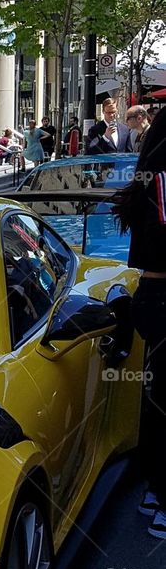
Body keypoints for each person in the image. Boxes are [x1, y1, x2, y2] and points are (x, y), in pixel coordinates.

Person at [113, 107, 166, 537]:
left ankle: (156, 490)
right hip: (160, 295)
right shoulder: (158, 192)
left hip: (154, 296)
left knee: (158, 394)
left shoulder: (149, 186)